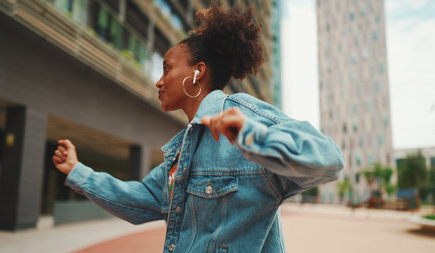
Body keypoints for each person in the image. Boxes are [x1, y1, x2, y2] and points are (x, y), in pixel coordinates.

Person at [53, 3, 344, 253]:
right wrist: (78, 172)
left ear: (197, 72)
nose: (159, 80)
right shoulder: (180, 150)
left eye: (167, 68)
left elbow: (329, 159)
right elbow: (140, 200)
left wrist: (252, 138)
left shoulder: (243, 113)